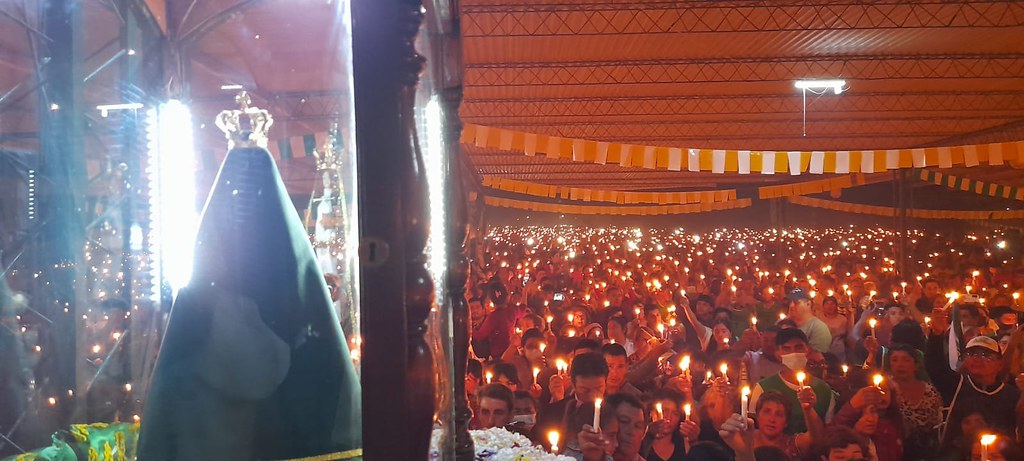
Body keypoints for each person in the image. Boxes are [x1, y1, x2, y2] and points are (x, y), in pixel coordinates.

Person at [927, 335, 1023, 451]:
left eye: (986, 355)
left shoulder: (1012, 394)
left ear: (1000, 364)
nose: (977, 359)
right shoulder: (956, 385)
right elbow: (935, 366)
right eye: (972, 354)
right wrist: (936, 334)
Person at [749, 328, 837, 434]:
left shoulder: (824, 390)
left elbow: (828, 431)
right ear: (778, 355)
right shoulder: (763, 387)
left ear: (808, 350)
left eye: (798, 347)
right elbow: (754, 427)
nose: (793, 353)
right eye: (786, 349)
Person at [717, 389, 822, 461]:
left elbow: (816, 436)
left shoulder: (792, 444)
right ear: (757, 415)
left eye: (779, 414)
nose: (772, 419)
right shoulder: (743, 438)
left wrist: (808, 409)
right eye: (767, 411)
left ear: (786, 422)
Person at [536, 352, 608, 451]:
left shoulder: (615, 413)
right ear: (573, 385)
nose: (593, 395)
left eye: (599, 388)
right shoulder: (551, 413)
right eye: (585, 390)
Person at [887, 343, 942, 460]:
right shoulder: (886, 390)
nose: (900, 365)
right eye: (895, 360)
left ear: (916, 365)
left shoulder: (930, 391)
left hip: (929, 450)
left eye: (906, 360)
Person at [641, 389, 693, 461]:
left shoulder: (683, 445)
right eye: (664, 411)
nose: (668, 418)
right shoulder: (641, 442)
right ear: (652, 412)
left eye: (675, 414)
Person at [785, 288, 832, 353]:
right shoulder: (782, 322)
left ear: (808, 304)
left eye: (796, 302)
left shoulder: (819, 328)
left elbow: (816, 356)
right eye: (789, 302)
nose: (791, 305)